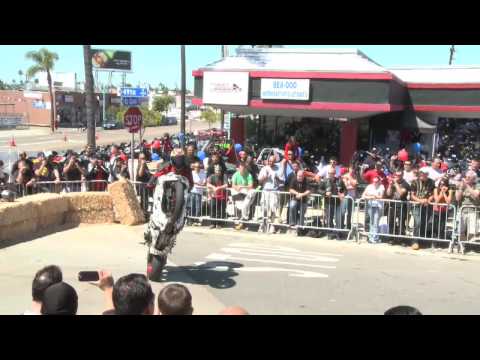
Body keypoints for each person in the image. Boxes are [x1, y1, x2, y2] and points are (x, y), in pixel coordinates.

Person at [318, 168, 347, 239]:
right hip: (329, 203)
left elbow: (345, 190)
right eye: (330, 173)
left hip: (338, 203)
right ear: (328, 174)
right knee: (329, 219)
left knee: (339, 218)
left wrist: (343, 194)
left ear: (335, 174)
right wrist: (325, 193)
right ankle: (330, 234)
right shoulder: (324, 181)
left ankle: (338, 234)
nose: (331, 175)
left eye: (333, 173)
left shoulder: (339, 181)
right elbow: (318, 190)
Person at [410, 168, 435, 249]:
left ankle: (421, 240)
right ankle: (415, 241)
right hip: (416, 205)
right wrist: (420, 200)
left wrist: (428, 200)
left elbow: (432, 194)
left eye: (423, 174)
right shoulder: (414, 182)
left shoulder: (431, 182)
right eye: (421, 173)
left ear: (427, 174)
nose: (422, 175)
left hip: (426, 205)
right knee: (418, 222)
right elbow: (412, 195)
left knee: (424, 223)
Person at [258, 155, 283, 233]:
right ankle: (263, 224)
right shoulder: (264, 168)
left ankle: (272, 225)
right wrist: (265, 177)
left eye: (272, 161)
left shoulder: (278, 169)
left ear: (275, 161)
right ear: (268, 161)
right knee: (264, 208)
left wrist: (277, 177)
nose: (271, 162)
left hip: (274, 191)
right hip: (265, 190)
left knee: (273, 209)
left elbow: (282, 181)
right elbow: (259, 181)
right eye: (269, 161)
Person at [385, 170, 410, 242]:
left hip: (401, 205)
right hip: (392, 205)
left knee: (401, 223)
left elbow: (401, 193)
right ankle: (391, 238)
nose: (397, 177)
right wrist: (390, 185)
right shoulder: (392, 183)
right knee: (391, 222)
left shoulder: (405, 184)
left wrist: (395, 183)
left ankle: (401, 239)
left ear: (402, 175)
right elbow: (388, 194)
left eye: (399, 175)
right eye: (396, 175)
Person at [456, 170, 480, 241]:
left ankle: (470, 244)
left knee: (472, 231)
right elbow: (457, 198)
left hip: (473, 210)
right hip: (463, 210)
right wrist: (461, 188)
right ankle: (462, 245)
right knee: (461, 230)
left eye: (469, 177)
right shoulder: (461, 185)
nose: (467, 178)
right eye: (466, 177)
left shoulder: (477, 185)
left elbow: (476, 195)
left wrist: (467, 186)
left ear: (474, 178)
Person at [232, 162, 257, 230]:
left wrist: (242, 186)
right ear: (239, 168)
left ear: (245, 168)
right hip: (238, 193)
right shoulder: (235, 174)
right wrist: (237, 187)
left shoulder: (249, 175)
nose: (242, 169)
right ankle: (239, 223)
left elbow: (251, 186)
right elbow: (233, 185)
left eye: (244, 168)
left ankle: (243, 223)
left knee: (245, 207)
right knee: (238, 208)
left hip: (246, 194)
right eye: (241, 168)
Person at [361, 176, 385, 244]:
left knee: (376, 222)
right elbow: (363, 195)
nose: (375, 183)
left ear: (379, 181)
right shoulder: (369, 186)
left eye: (377, 181)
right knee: (371, 221)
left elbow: (381, 196)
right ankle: (371, 237)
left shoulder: (381, 186)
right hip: (370, 205)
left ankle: (375, 237)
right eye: (374, 181)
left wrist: (372, 196)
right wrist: (372, 196)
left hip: (378, 206)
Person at [207, 164, 228, 229]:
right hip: (214, 195)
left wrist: (218, 188)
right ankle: (212, 223)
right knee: (212, 209)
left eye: (219, 170)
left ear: (221, 170)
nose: (218, 171)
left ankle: (219, 224)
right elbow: (208, 184)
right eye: (216, 170)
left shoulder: (224, 176)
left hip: (222, 196)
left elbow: (226, 185)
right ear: (214, 170)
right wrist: (213, 187)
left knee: (220, 210)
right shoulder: (212, 176)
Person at [341, 165, 358, 230]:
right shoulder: (345, 176)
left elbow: (355, 185)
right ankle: (341, 225)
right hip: (346, 196)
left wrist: (350, 178)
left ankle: (348, 226)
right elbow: (346, 187)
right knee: (343, 211)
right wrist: (351, 186)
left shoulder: (354, 176)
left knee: (350, 212)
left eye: (353, 169)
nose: (352, 170)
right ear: (349, 168)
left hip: (352, 196)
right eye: (351, 168)